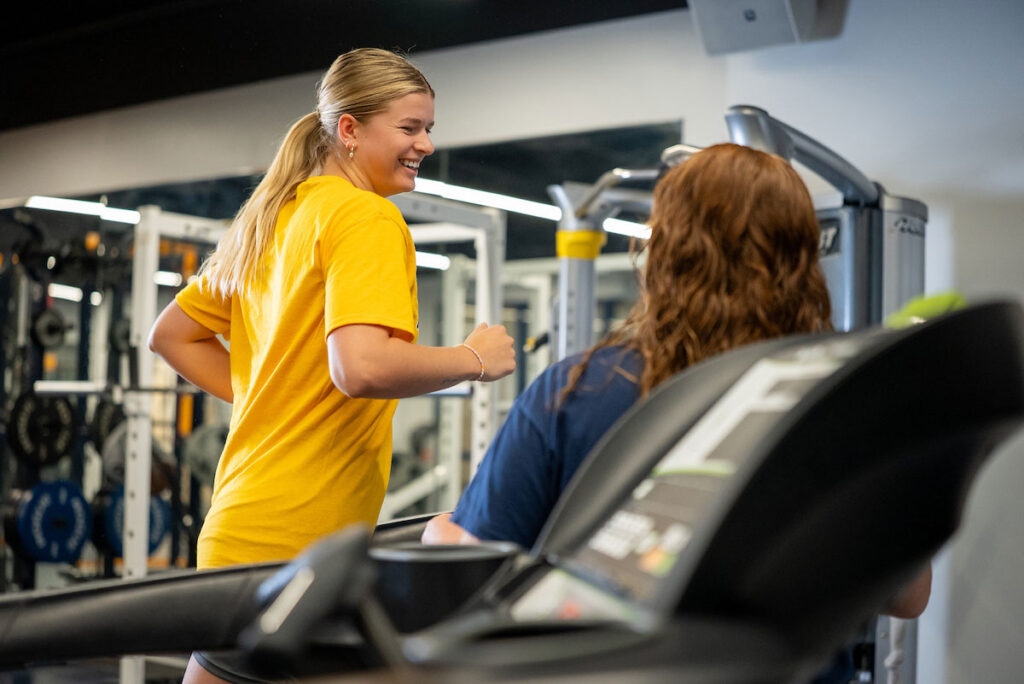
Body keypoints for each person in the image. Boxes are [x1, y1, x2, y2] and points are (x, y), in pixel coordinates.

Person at [422, 143, 930, 683]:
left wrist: (439, 533)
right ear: (802, 257)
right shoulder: (841, 393)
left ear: (664, 250)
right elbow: (907, 595)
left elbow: (477, 566)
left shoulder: (575, 391)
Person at [148, 47, 514, 684]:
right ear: (349, 129)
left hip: (240, 528)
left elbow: (171, 337)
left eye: (429, 128)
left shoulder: (271, 216)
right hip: (299, 545)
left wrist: (279, 397)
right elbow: (363, 368)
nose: (425, 144)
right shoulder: (365, 216)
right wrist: (473, 359)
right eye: (410, 128)